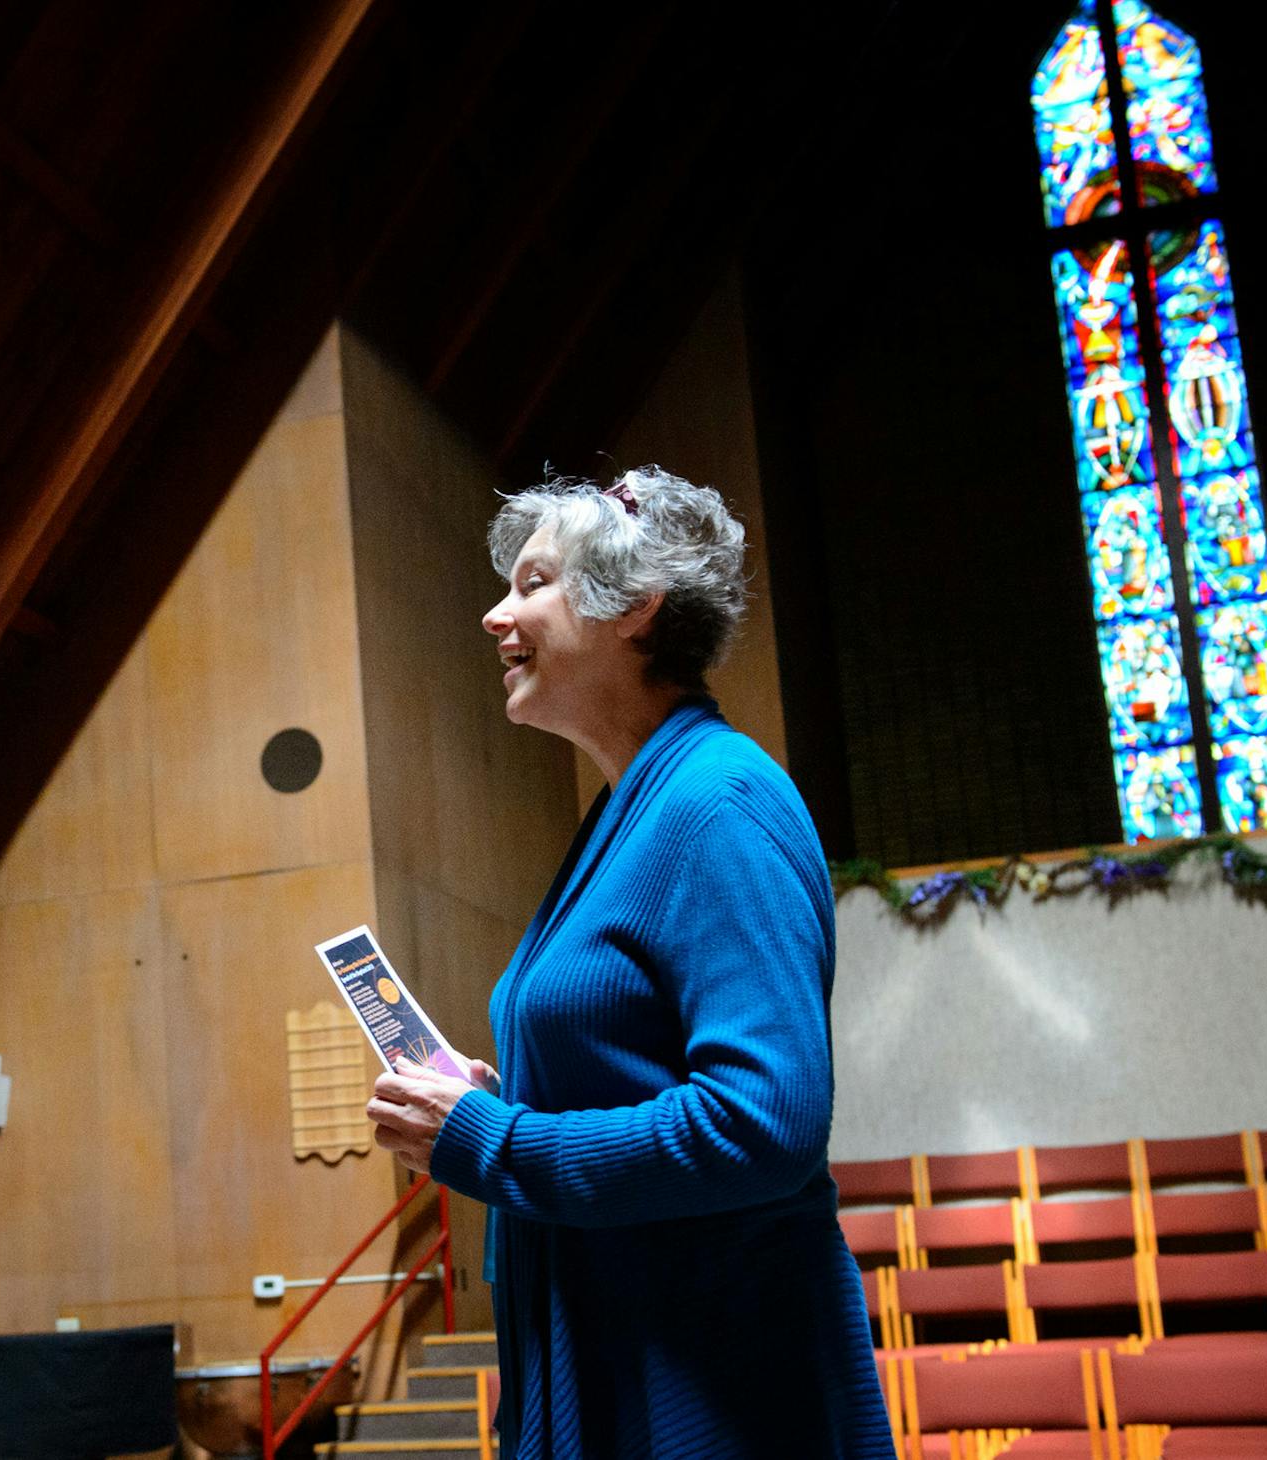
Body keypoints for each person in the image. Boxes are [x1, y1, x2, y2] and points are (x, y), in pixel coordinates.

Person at [365, 471, 893, 1457]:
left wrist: (498, 1142)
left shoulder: (719, 799)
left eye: (533, 583)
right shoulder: (629, 807)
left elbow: (762, 1119)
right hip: (621, 1355)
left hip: (712, 1390)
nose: (495, 613)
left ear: (637, 604)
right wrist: (500, 1097)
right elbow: (625, 1061)